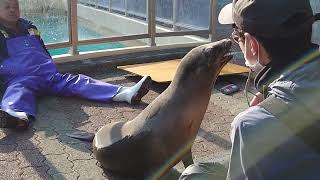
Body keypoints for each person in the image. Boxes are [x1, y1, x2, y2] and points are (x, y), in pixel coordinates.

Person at [179, 0, 320, 179]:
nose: (236, 41)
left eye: (237, 37)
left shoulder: (250, 126)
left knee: (194, 175)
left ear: (252, 45)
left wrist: (267, 114)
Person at [0, 0, 151, 130]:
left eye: (16, 5)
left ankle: (126, 94)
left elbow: (42, 49)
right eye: (7, 6)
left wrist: (49, 66)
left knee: (79, 81)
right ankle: (15, 117)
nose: (13, 9)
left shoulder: (29, 26)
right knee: (17, 91)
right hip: (22, 79)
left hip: (48, 75)